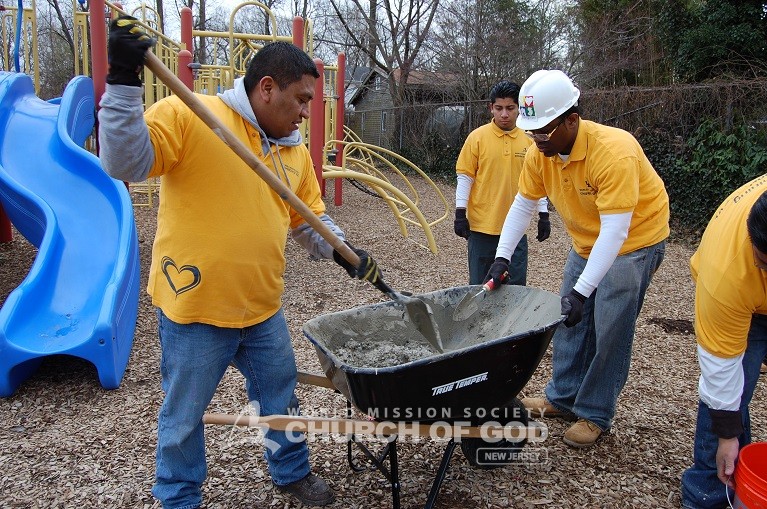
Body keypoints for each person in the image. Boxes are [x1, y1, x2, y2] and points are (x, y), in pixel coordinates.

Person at [98, 16, 384, 508]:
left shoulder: (294, 154)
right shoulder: (191, 113)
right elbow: (123, 163)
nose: (306, 113)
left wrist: (346, 254)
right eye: (301, 100)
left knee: (280, 397)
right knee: (184, 414)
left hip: (262, 308)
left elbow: (308, 222)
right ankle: (178, 495)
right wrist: (123, 80)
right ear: (267, 88)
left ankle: (291, 471)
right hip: (194, 309)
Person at [485, 69, 669, 448]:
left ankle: (595, 412)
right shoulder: (542, 152)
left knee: (610, 327)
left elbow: (615, 232)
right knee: (568, 319)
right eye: (530, 132)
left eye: (543, 132)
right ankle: (563, 397)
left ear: (572, 120)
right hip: (587, 242)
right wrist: (502, 258)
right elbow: (523, 205)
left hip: (634, 242)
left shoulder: (613, 152)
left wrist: (583, 291)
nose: (536, 140)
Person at [680, 177, 767, 509]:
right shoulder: (728, 273)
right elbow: (721, 366)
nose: (763, 265)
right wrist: (728, 436)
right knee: (732, 394)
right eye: (763, 259)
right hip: (746, 301)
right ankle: (708, 493)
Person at [454, 80, 550, 286]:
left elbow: (538, 180)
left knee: (515, 291)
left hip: (516, 231)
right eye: (499, 108)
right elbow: (465, 176)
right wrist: (460, 213)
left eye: (510, 108)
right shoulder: (477, 138)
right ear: (491, 108)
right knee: (480, 288)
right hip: (482, 229)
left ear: (519, 109)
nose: (504, 114)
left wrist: (543, 214)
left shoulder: (530, 140)